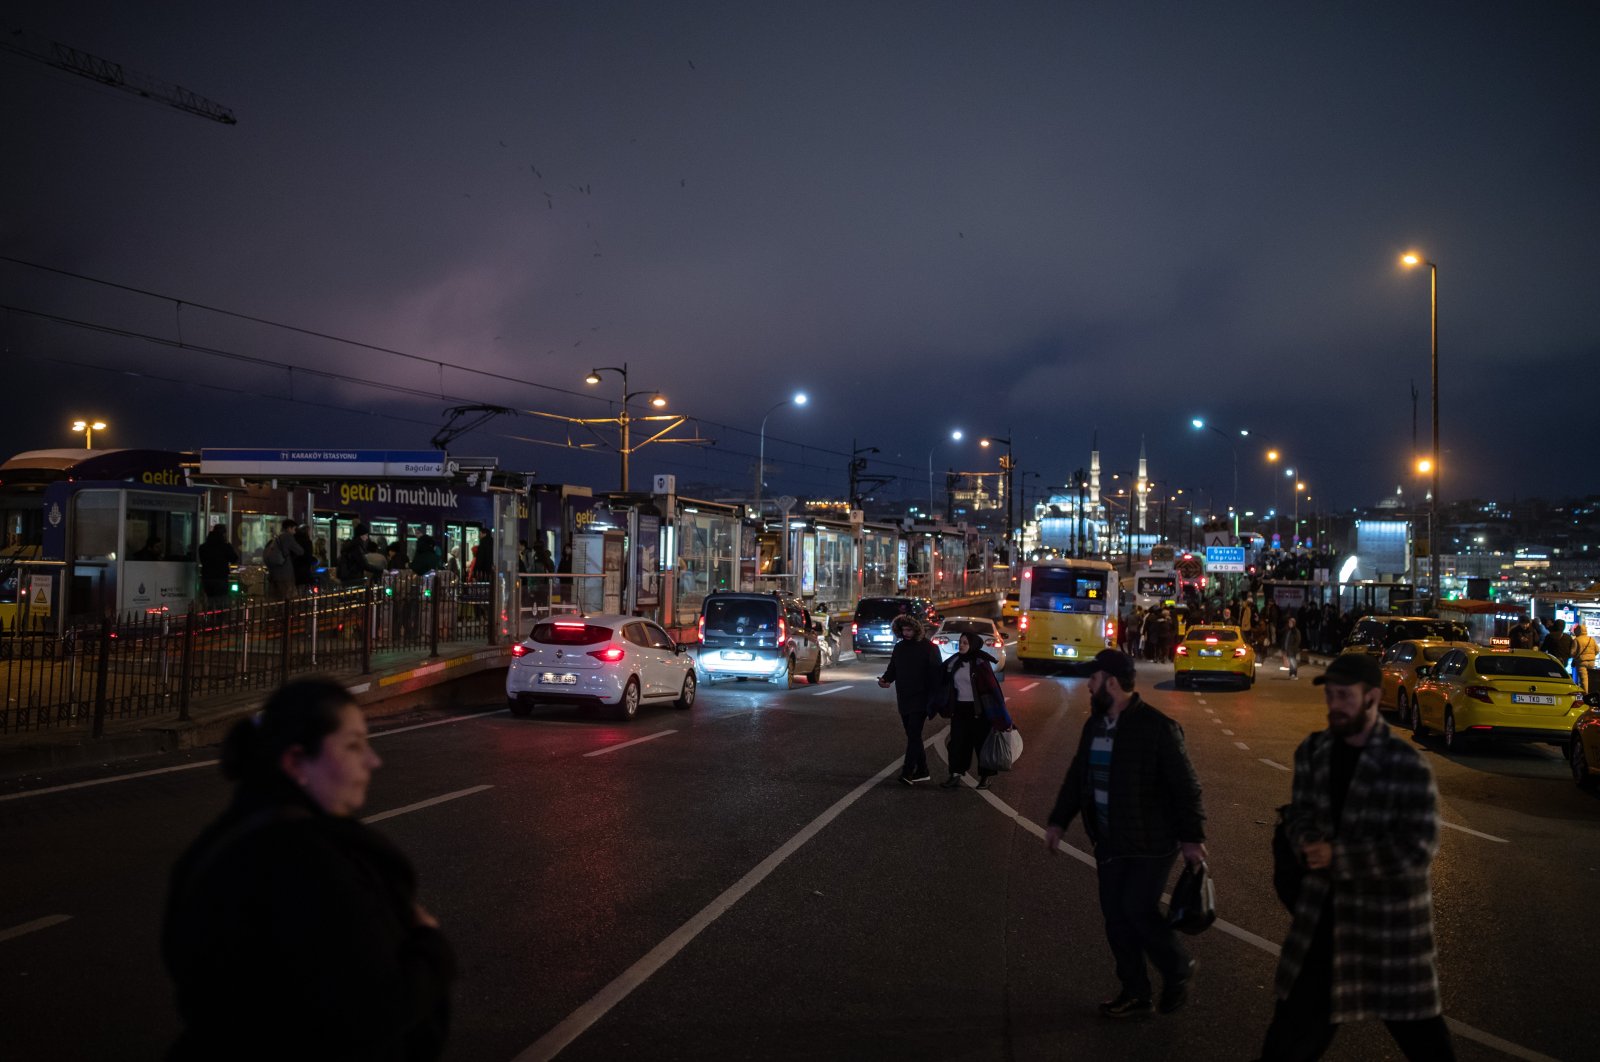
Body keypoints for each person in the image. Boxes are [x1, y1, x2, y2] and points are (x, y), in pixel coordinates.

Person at [162, 679, 454, 1061]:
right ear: (296, 762)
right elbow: (373, 1012)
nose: (372, 760)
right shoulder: (312, 866)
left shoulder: (217, 845)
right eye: (353, 745)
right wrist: (430, 946)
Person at [1258, 652, 1455, 1061]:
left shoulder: (1406, 766)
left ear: (1371, 697)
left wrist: (1337, 856)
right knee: (1288, 1041)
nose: (1335, 705)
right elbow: (1299, 813)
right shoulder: (1313, 751)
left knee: (1424, 1039)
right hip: (1324, 924)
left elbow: (1417, 848)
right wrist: (1303, 839)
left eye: (1344, 695)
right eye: (1330, 695)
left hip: (1386, 928)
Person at [1045, 649, 1207, 1019]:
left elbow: (1186, 787)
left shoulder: (1158, 728)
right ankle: (1136, 993)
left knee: (1136, 908)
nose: (1089, 685)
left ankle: (1178, 969)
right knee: (1116, 919)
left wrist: (1192, 839)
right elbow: (1078, 776)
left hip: (1152, 843)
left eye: (1094, 679)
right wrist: (1058, 821)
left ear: (1112, 683)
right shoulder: (1095, 725)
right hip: (1110, 841)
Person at [938, 630, 1013, 790]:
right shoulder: (954, 661)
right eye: (960, 642)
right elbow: (943, 680)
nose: (962, 646)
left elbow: (993, 692)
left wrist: (1003, 718)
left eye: (965, 643)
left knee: (981, 745)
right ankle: (955, 775)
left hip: (979, 712)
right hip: (959, 710)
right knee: (957, 744)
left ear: (972, 645)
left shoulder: (980, 663)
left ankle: (985, 777)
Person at [877, 614, 942, 784]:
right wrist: (885, 680)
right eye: (903, 629)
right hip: (904, 697)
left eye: (909, 629)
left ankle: (907, 772)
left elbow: (936, 674)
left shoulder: (929, 648)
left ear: (916, 629)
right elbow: (893, 668)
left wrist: (936, 698)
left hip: (921, 698)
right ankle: (923, 770)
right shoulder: (899, 648)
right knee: (913, 735)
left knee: (913, 733)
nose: (906, 633)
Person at [197, 525, 239, 609]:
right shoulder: (225, 546)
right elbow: (234, 558)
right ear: (223, 534)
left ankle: (210, 619)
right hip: (221, 578)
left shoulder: (203, 547)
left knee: (210, 601)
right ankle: (219, 620)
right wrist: (228, 545)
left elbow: (202, 560)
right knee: (221, 603)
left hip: (207, 578)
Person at [264, 519, 304, 601]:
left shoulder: (277, 538)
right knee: (288, 598)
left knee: (276, 598)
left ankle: (276, 612)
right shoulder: (287, 537)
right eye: (294, 529)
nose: (295, 532)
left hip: (274, 572)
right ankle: (285, 613)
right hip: (285, 573)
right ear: (289, 528)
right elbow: (300, 551)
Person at [1570, 623, 1597, 692]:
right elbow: (1597, 650)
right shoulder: (1591, 639)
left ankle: (1585, 695)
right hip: (1592, 662)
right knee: (1592, 678)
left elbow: (1572, 653)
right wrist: (1592, 656)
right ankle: (1593, 692)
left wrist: (1576, 657)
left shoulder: (1577, 640)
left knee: (1583, 680)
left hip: (1581, 662)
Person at [292, 524, 317, 593]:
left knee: (297, 587)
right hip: (303, 567)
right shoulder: (306, 541)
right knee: (303, 587)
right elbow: (307, 555)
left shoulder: (294, 539)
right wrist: (313, 560)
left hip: (295, 567)